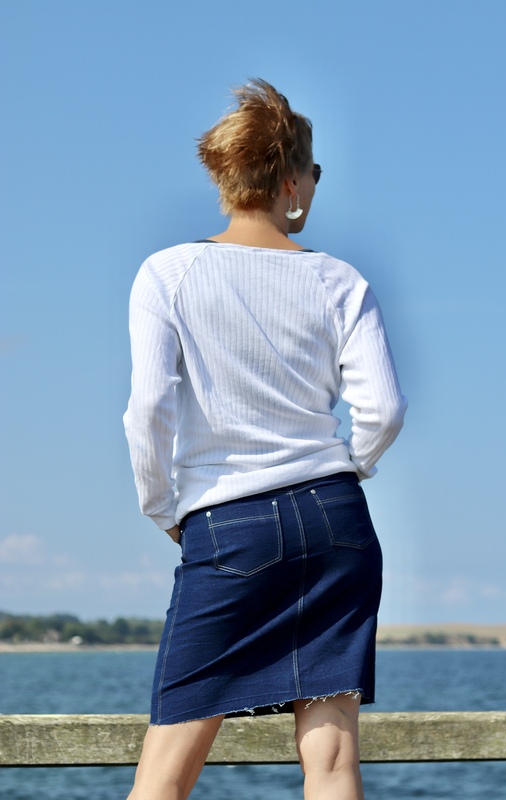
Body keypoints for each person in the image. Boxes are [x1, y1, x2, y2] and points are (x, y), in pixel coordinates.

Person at [124, 79, 407, 800]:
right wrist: (345, 469)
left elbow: (149, 408)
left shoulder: (169, 274)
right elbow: (383, 410)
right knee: (332, 761)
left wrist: (163, 508)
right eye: (314, 172)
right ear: (290, 183)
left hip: (228, 524)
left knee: (164, 775)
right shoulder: (339, 280)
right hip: (336, 522)